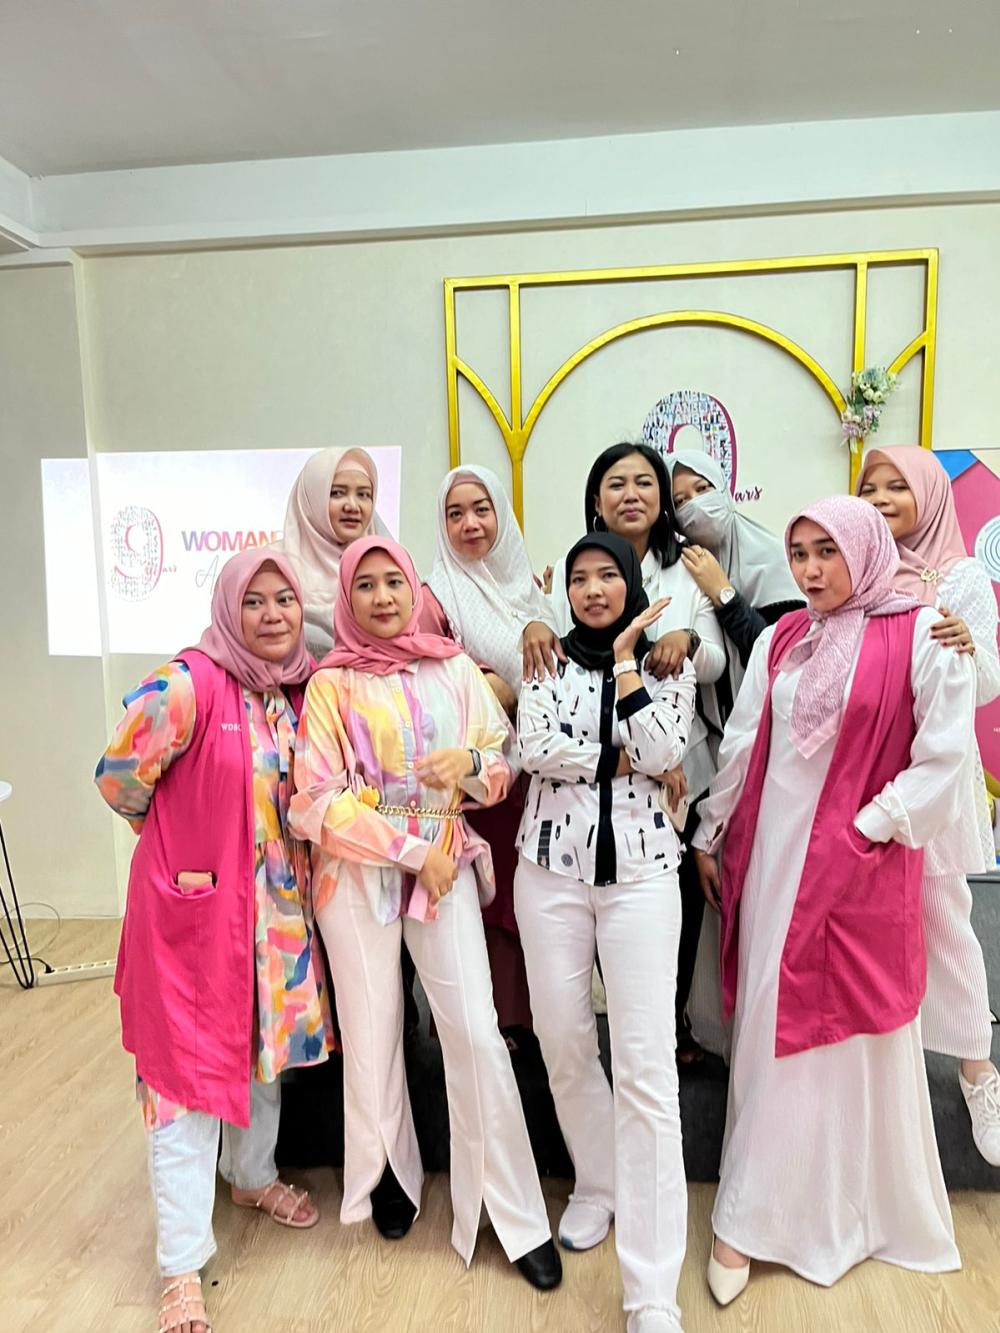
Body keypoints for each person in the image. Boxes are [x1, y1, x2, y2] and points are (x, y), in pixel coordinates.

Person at [692, 496, 976, 1304]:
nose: (812, 570)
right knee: (770, 1021)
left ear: (867, 549)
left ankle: (821, 1212)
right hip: (776, 859)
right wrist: (711, 831)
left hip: (861, 863)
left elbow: (943, 757)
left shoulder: (925, 633)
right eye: (801, 553)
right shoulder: (784, 636)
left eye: (829, 552)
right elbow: (745, 739)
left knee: (844, 1033)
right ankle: (755, 1204)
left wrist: (869, 827)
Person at [288, 536, 562, 1290]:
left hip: (445, 867)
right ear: (348, 597)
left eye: (394, 583)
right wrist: (412, 851)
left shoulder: (455, 669)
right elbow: (316, 800)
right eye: (366, 585)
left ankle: (513, 1212)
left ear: (414, 590)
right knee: (373, 1034)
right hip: (360, 876)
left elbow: (500, 764)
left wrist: (470, 766)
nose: (382, 597)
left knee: (475, 1031)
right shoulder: (331, 685)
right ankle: (389, 1174)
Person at [95, 551, 334, 1333]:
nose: (272, 615)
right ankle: (180, 1263)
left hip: (275, 917)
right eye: (254, 601)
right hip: (193, 921)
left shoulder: (298, 688)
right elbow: (118, 777)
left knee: (262, 1056)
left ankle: (251, 1174)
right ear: (229, 608)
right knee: (183, 1086)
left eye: (284, 599)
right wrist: (176, 839)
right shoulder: (186, 684)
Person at [515, 532, 695, 1333]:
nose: (592, 589)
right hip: (549, 871)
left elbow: (663, 746)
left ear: (630, 583)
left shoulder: (666, 662)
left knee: (647, 1069)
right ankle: (598, 1181)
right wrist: (618, 762)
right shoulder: (544, 659)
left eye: (607, 576)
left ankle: (653, 1289)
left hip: (645, 877)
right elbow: (534, 749)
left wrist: (626, 663)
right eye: (579, 577)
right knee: (563, 1040)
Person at [548, 442, 726, 1065]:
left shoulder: (688, 567)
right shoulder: (573, 566)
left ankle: (669, 1026)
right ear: (596, 500)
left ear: (663, 497)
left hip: (680, 763)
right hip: (598, 770)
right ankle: (621, 1028)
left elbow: (715, 663)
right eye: (616, 483)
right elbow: (558, 656)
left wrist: (687, 639)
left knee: (671, 904)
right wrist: (536, 626)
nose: (631, 494)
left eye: (645, 482)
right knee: (599, 905)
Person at [857, 444, 1000, 1164]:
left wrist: (969, 647)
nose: (881, 499)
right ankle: (897, 1076)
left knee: (945, 916)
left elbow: (989, 683)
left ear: (930, 495)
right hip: (873, 768)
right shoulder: (862, 571)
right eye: (869, 488)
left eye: (897, 486)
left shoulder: (962, 574)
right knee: (881, 923)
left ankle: (979, 1073)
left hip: (937, 773)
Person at [426, 463, 561, 1038]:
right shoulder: (435, 596)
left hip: (541, 775)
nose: (470, 524)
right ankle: (496, 1027)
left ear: (501, 514)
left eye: (481, 510)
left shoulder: (531, 593)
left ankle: (536, 1025)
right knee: (487, 900)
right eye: (455, 514)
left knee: (535, 905)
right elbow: (436, 681)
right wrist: (495, 689)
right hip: (477, 781)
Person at [664, 448, 804, 712]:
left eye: (702, 489)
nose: (696, 504)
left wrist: (723, 593)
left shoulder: (770, 555)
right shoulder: (676, 568)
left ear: (722, 488)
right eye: (680, 501)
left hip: (769, 715)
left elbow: (784, 655)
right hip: (704, 724)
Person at [274, 445, 389, 656]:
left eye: (364, 494)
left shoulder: (387, 565)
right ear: (312, 497)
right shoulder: (273, 566)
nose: (352, 506)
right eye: (337, 493)